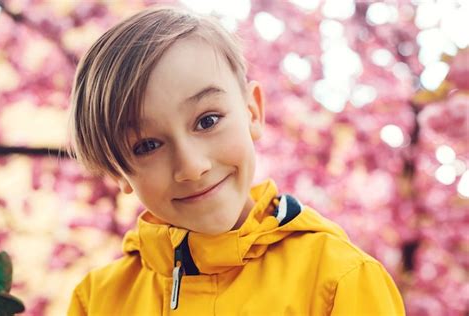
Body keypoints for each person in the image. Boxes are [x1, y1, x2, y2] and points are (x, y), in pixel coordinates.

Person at [67, 6, 405, 315]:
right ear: (118, 171)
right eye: (148, 145)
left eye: (208, 121)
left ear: (252, 112)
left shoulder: (338, 280)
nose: (192, 166)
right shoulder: (98, 300)